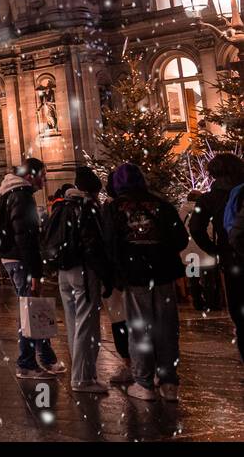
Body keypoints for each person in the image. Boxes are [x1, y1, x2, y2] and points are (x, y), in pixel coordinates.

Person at [103, 162, 188, 402]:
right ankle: (169, 381)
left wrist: (118, 270)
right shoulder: (161, 205)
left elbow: (109, 244)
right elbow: (180, 239)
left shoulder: (114, 208)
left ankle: (143, 382)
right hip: (163, 273)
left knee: (140, 328)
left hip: (134, 275)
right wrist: (160, 251)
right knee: (167, 328)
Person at [0, 157, 65, 379]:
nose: (44, 181)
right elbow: (26, 237)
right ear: (30, 176)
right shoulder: (22, 197)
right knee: (30, 309)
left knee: (34, 308)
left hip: (12, 258)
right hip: (21, 259)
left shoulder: (8, 195)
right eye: (42, 175)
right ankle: (26, 362)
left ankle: (46, 357)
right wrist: (35, 271)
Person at [53, 167, 111, 394]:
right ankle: (83, 378)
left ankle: (81, 373)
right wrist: (105, 275)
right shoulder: (88, 207)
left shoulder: (62, 206)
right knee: (87, 323)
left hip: (63, 270)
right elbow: (94, 244)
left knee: (72, 322)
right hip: (83, 270)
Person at [190, 153, 244, 357]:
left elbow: (196, 228)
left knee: (239, 308)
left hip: (230, 257)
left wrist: (214, 250)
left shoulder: (207, 199)